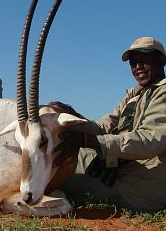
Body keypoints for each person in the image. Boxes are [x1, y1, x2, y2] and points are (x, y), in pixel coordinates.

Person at [53, 36, 166, 213]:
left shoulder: (163, 92)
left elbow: (149, 140)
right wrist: (71, 115)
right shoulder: (135, 94)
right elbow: (104, 127)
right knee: (62, 157)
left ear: (161, 60)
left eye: (145, 60)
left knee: (63, 183)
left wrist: (88, 142)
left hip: (143, 183)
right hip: (122, 166)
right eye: (134, 63)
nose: (138, 67)